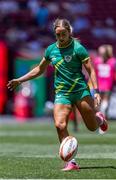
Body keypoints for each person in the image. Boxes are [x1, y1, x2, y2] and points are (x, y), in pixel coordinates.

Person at [7, 18, 108, 171]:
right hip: (62, 93)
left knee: (92, 126)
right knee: (59, 125)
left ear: (69, 32)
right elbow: (39, 69)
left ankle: (99, 119)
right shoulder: (51, 50)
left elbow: (91, 70)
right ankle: (71, 162)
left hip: (80, 91)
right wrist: (20, 80)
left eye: (63, 34)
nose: (61, 38)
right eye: (58, 35)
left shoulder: (78, 48)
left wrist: (95, 92)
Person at [93, 45, 116, 119]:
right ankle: (102, 116)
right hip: (107, 85)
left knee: (98, 103)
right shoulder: (112, 61)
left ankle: (100, 117)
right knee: (105, 101)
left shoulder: (97, 61)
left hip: (99, 85)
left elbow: (94, 73)